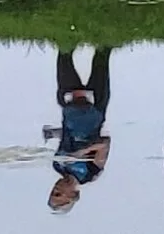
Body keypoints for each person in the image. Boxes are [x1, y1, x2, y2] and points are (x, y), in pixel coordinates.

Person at [46, 48, 113, 214]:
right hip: (95, 109)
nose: (56, 188)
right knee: (102, 55)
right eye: (59, 193)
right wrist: (82, 152)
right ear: (74, 195)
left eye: (53, 191)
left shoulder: (57, 165)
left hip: (70, 107)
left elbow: (67, 138)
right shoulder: (90, 174)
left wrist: (54, 133)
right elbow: (104, 144)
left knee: (64, 54)